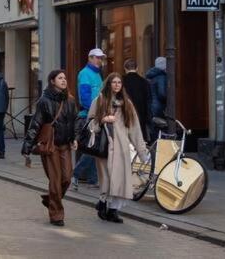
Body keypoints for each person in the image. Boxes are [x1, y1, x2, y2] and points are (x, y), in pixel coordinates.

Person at [89, 73, 149, 224]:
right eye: (114, 82)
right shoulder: (100, 100)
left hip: (122, 148)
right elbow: (90, 122)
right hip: (104, 147)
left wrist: (141, 151)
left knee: (121, 180)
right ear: (108, 84)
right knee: (107, 178)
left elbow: (134, 128)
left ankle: (113, 210)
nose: (116, 85)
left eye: (119, 82)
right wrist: (102, 119)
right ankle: (103, 202)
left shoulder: (127, 104)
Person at [22, 70, 78, 226]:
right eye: (60, 78)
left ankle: (51, 199)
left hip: (65, 144)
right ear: (52, 81)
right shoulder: (44, 101)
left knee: (66, 178)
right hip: (50, 145)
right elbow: (35, 124)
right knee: (55, 180)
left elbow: (75, 121)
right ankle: (56, 215)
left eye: (65, 78)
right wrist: (27, 146)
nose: (64, 80)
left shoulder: (70, 100)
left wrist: (75, 138)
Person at [73, 49, 106, 189]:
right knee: (92, 148)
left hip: (97, 114)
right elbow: (84, 97)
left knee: (94, 148)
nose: (100, 60)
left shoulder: (98, 74)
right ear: (90, 58)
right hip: (90, 115)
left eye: (101, 58)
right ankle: (76, 174)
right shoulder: (85, 73)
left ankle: (93, 179)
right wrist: (96, 111)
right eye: (98, 58)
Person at [121, 58, 153, 141]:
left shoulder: (121, 81)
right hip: (141, 117)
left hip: (125, 116)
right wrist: (149, 118)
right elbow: (149, 101)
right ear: (137, 68)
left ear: (125, 68)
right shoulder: (145, 82)